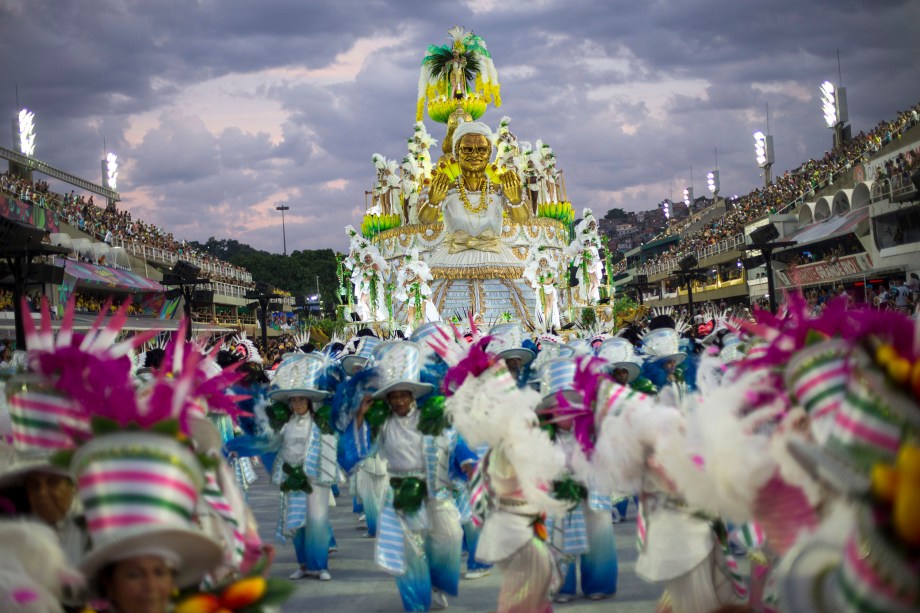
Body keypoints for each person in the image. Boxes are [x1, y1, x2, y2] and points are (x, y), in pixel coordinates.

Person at [267, 353, 340, 582]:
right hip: (292, 480)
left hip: (315, 479)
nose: (298, 404)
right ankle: (303, 565)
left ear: (309, 401)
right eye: (294, 401)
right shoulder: (285, 424)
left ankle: (320, 567)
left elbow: (331, 445)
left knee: (316, 522)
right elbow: (273, 446)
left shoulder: (321, 422)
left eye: (302, 400)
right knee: (296, 524)